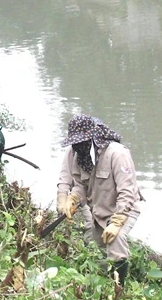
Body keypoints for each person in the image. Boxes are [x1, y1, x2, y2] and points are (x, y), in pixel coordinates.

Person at [56, 114, 142, 286]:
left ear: (93, 138)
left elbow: (127, 191)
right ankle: (100, 285)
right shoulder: (78, 155)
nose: (78, 146)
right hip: (98, 210)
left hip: (124, 208)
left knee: (115, 241)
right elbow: (80, 184)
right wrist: (72, 199)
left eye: (82, 142)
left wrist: (117, 221)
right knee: (93, 246)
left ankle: (119, 290)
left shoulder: (117, 154)